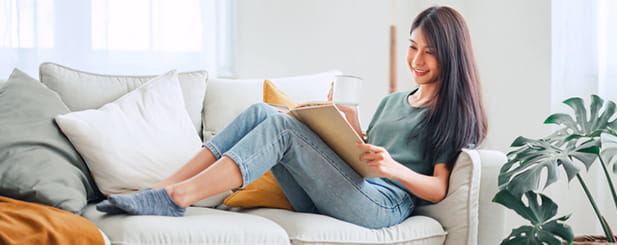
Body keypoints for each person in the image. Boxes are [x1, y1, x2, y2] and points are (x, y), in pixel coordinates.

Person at [97, 5, 487, 229]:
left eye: (429, 52)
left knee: (282, 128)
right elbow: (364, 152)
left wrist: (393, 169)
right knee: (261, 112)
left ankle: (176, 197)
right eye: (413, 47)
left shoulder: (452, 114)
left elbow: (438, 188)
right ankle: (162, 188)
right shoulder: (394, 100)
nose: (416, 61)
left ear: (450, 55)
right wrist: (343, 120)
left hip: (383, 205)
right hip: (350, 190)